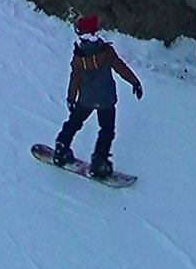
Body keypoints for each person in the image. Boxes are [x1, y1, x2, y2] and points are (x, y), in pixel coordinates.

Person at [48, 14, 145, 178]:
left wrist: (71, 98)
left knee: (75, 122)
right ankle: (99, 161)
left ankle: (61, 147)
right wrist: (135, 82)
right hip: (106, 98)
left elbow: (75, 78)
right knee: (107, 130)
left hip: (86, 99)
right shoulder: (106, 52)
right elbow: (120, 67)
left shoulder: (79, 57)